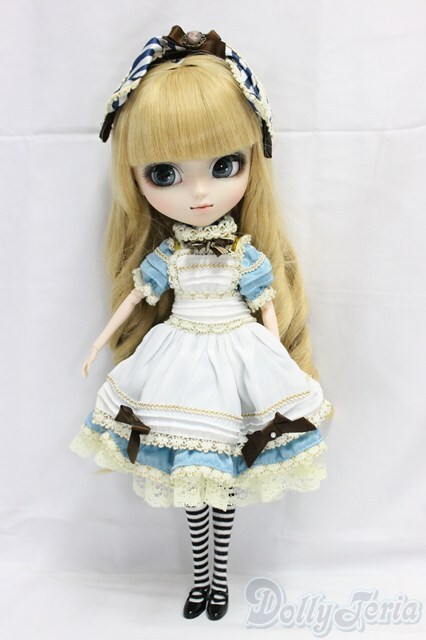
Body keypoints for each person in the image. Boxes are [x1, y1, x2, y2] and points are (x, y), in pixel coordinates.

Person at [69, 25, 332, 622]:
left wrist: (275, 364)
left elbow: (267, 308)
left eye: (224, 165)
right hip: (180, 360)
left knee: (226, 484)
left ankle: (219, 579)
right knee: (194, 480)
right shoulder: (169, 256)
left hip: (237, 357)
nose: (199, 193)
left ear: (252, 161)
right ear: (134, 178)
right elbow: (134, 300)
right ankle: (201, 580)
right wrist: (97, 344)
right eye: (164, 174)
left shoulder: (244, 254)